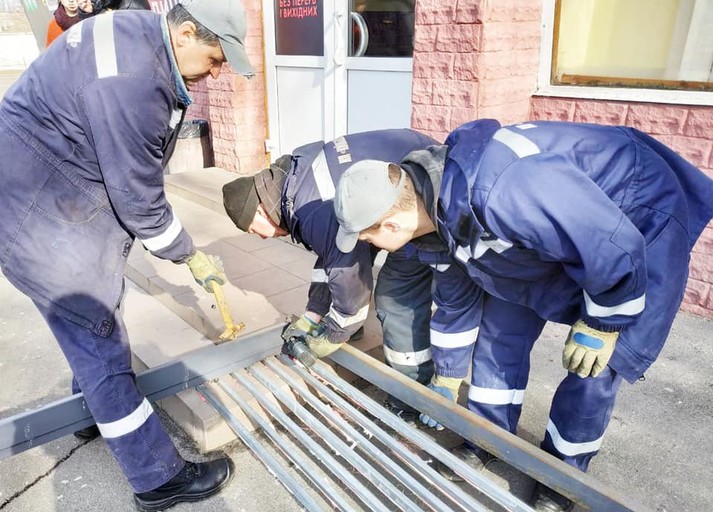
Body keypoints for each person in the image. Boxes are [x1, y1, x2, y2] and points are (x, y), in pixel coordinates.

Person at [332, 119, 713, 512]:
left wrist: (603, 322)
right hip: (562, 234)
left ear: (391, 223)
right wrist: (447, 375)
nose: (367, 244)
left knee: (594, 366)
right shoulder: (438, 213)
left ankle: (564, 476)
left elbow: (612, 246)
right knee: (500, 335)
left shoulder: (503, 191)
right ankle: (488, 438)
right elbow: (455, 304)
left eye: (367, 236)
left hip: (637, 218)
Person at [0, 0, 254, 509]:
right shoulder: (133, 82)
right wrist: (188, 254)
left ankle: (91, 413)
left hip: (40, 193)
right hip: (39, 213)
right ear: (185, 33)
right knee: (99, 337)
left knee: (91, 326)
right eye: (214, 58)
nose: (216, 72)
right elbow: (139, 199)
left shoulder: (137, 31)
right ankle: (157, 478)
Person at [222, 129, 438, 420]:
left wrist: (335, 333)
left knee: (396, 297)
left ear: (260, 211)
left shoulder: (311, 208)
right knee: (356, 251)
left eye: (253, 230)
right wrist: (313, 315)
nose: (260, 237)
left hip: (419, 195)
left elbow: (349, 275)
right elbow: (331, 258)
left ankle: (410, 397)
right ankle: (352, 329)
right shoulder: (295, 186)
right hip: (404, 169)